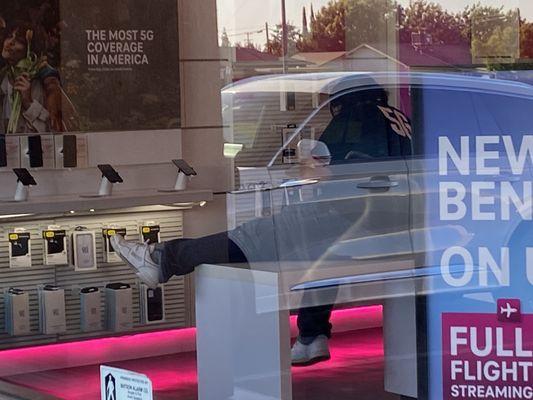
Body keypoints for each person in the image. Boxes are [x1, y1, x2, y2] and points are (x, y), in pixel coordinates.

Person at [111, 86, 412, 365]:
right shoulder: (400, 119)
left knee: (257, 234)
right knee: (323, 258)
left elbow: (323, 166)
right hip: (391, 226)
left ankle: (163, 259)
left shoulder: (356, 115)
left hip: (354, 215)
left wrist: (305, 171)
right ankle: (312, 336)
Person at [0, 20, 64, 134]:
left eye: (19, 41)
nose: (10, 42)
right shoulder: (4, 78)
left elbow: (52, 131)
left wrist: (28, 103)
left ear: (29, 49)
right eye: (9, 36)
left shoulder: (38, 82)